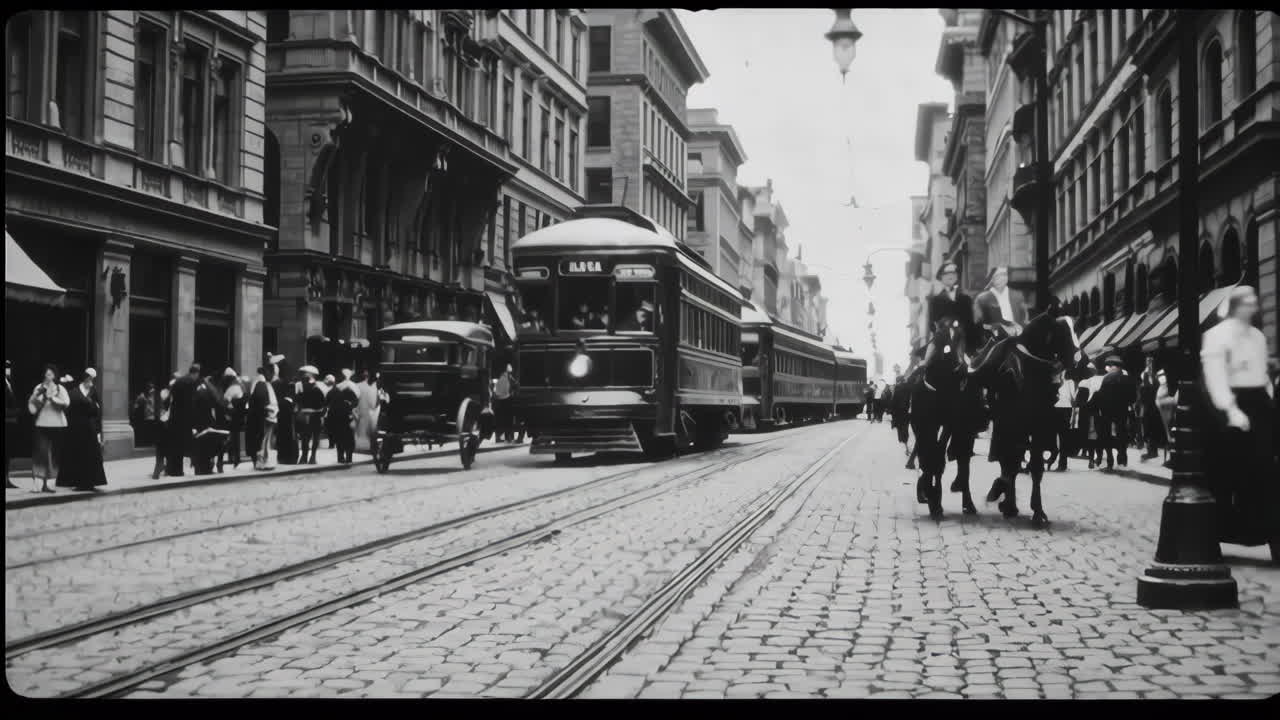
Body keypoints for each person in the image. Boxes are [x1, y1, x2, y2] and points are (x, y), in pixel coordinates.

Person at [1201, 286, 1277, 546]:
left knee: (1265, 468)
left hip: (1257, 403)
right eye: (1247, 302)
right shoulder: (1216, 335)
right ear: (1235, 306)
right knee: (1223, 471)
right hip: (1227, 405)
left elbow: (1262, 372)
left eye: (1254, 302)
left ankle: (1262, 528)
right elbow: (1215, 375)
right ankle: (1217, 532)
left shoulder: (1257, 336)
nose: (1253, 306)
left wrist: (1267, 398)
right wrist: (1230, 410)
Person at [922, 262, 981, 370]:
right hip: (943, 339)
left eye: (953, 272)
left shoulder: (966, 299)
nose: (951, 275)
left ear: (957, 276)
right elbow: (932, 325)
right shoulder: (935, 301)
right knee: (930, 365)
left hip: (966, 341)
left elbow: (971, 322)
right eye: (947, 273)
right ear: (941, 277)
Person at [56, 368, 107, 492]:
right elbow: (69, 408)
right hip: (76, 429)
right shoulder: (74, 391)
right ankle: (78, 482)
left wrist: (99, 431)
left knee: (91, 456)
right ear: (84, 378)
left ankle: (90, 482)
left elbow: (98, 411)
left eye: (92, 379)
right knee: (77, 455)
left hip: (90, 429)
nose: (90, 381)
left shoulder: (93, 391)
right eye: (88, 378)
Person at [27, 364, 69, 494]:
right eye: (46, 374)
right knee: (40, 454)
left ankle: (50, 484)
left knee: (53, 455)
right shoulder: (38, 388)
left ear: (55, 376)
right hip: (42, 424)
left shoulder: (60, 388)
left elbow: (66, 403)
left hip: (57, 425)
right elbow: (32, 407)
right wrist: (41, 397)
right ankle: (38, 484)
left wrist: (53, 398)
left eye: (50, 374)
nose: (48, 376)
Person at [1093, 355, 1137, 470]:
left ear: (1113, 366)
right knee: (1121, 432)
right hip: (1122, 410)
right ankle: (1122, 458)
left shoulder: (1106, 378)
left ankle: (1109, 458)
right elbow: (1133, 397)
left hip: (1107, 410)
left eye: (1108, 365)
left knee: (1106, 433)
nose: (1106, 367)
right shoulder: (1128, 379)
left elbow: (1101, 396)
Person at [974, 266, 1028, 339]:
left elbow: (1025, 318)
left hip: (1017, 338)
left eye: (1004, 274)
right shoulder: (982, 298)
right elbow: (977, 323)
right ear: (992, 279)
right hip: (993, 340)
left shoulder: (1017, 296)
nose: (1002, 278)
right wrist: (997, 327)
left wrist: (1018, 328)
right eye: (998, 275)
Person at [167, 364, 202, 476]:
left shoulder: (179, 381)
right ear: (196, 373)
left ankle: (172, 469)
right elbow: (191, 403)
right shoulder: (191, 383)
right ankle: (177, 471)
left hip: (174, 417)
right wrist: (194, 421)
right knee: (181, 446)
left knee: (174, 445)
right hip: (184, 419)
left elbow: (171, 399)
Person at [249, 366, 278, 470]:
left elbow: (254, 402)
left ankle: (263, 462)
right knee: (266, 441)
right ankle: (266, 462)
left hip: (262, 417)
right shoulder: (267, 386)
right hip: (270, 416)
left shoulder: (258, 385)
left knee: (262, 441)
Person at [1045, 372, 1076, 472]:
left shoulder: (1051, 380)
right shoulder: (1070, 382)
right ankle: (1062, 464)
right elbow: (1073, 397)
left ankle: (1052, 458)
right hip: (1066, 409)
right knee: (1064, 437)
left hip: (1054, 408)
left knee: (1052, 435)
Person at [328, 369, 359, 464]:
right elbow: (356, 401)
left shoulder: (336, 388)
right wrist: (350, 407)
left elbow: (328, 400)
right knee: (349, 438)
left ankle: (341, 457)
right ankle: (349, 457)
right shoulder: (353, 387)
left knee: (339, 438)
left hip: (337, 416)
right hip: (348, 416)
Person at [295, 366, 326, 464]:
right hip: (316, 415)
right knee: (315, 437)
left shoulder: (300, 387)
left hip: (304, 415)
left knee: (305, 437)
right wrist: (322, 414)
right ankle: (313, 457)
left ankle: (304, 457)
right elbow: (323, 403)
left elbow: (298, 401)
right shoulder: (319, 388)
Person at [272, 360, 299, 464]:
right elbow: (293, 399)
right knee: (289, 435)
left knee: (282, 435)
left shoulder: (276, 384)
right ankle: (290, 457)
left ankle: (283, 456)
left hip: (280, 413)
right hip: (287, 413)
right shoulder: (290, 385)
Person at [223, 371, 248, 470]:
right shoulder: (239, 386)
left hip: (233, 417)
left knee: (233, 437)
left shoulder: (233, 388)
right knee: (234, 437)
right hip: (237, 416)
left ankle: (234, 458)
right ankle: (234, 457)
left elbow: (226, 400)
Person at [1154, 368, 1176, 466]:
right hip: (1164, 413)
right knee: (1169, 435)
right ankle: (1171, 458)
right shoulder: (1162, 387)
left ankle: (1173, 459)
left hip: (1169, 413)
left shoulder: (1167, 387)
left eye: (1162, 376)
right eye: (1159, 377)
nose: (1161, 378)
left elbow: (1173, 399)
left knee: (1171, 434)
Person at [354, 370, 380, 454]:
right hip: (369, 411)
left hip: (360, 410)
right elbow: (373, 403)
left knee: (360, 430)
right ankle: (369, 447)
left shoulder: (357, 385)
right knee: (370, 430)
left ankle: (360, 446)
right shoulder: (373, 387)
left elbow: (355, 400)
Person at [6, 360, 20, 489]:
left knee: (8, 451)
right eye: (6, 368)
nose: (8, 371)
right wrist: (13, 412)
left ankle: (6, 478)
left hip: (9, 422)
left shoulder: (8, 383)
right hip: (7, 420)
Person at [493, 363, 516, 442]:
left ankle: (499, 437)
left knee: (500, 419)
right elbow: (514, 384)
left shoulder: (500, 377)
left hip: (499, 400)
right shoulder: (507, 377)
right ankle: (508, 437)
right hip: (506, 400)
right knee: (508, 419)